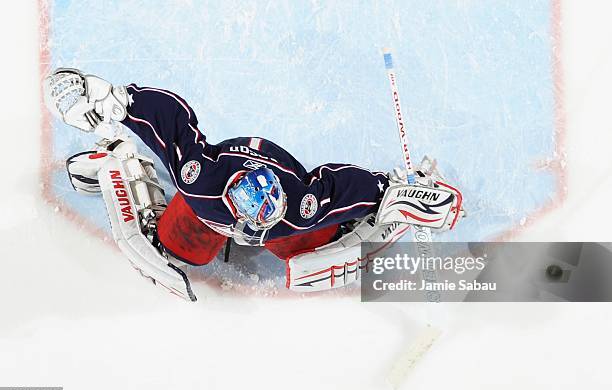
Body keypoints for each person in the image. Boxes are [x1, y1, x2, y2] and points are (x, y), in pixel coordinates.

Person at [44, 68, 463, 296]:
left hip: (282, 166)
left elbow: (341, 188)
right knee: (181, 248)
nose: (260, 229)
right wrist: (110, 98)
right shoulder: (202, 185)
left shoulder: (298, 206)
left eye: (269, 217)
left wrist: (395, 193)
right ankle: (116, 157)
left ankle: (333, 234)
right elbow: (170, 123)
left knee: (305, 237)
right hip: (222, 175)